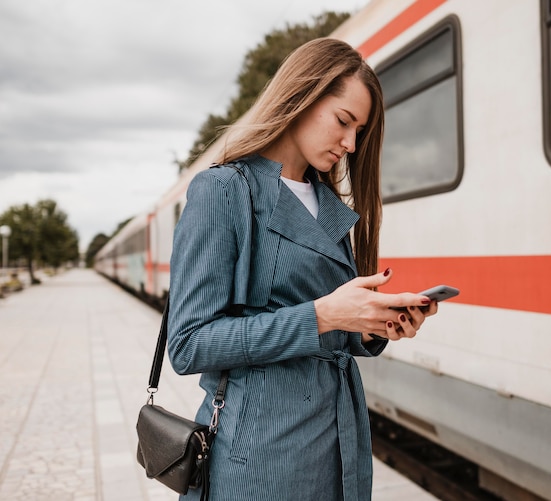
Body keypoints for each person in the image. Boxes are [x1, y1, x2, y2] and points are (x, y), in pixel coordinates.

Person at [167, 38, 438, 501]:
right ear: (301, 97)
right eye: (343, 121)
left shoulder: (330, 207)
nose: (351, 143)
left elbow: (338, 330)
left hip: (340, 443)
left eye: (360, 131)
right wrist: (324, 314)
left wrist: (375, 326)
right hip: (260, 453)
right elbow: (189, 345)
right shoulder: (223, 191)